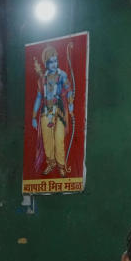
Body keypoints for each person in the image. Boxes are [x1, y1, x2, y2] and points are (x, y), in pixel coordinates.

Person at [31, 44, 75, 177]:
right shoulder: (42, 79)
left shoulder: (62, 75)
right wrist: (33, 116)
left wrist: (70, 102)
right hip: (45, 111)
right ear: (46, 63)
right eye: (51, 62)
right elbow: (39, 97)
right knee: (47, 140)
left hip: (59, 110)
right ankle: (51, 163)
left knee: (59, 139)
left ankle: (61, 165)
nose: (54, 64)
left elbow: (69, 90)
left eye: (56, 60)